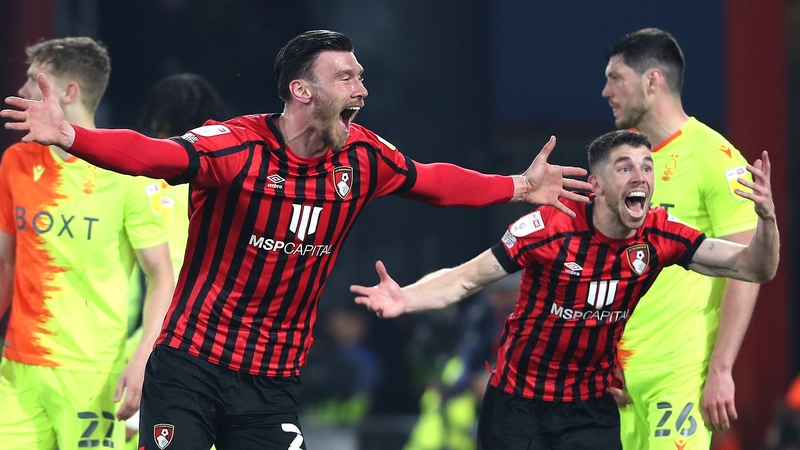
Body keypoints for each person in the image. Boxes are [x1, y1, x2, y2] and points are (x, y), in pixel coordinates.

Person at [1, 30, 593, 450]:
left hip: (272, 380)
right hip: (189, 367)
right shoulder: (236, 146)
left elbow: (432, 180)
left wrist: (518, 186)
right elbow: (154, 156)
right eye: (347, 76)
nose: (362, 87)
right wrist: (71, 135)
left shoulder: (363, 156)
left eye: (361, 74)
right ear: (302, 92)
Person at [350, 129, 779, 450]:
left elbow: (754, 267)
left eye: (647, 166)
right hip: (518, 406)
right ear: (596, 186)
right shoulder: (548, 229)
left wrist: (767, 221)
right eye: (625, 167)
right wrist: (406, 297)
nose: (641, 176)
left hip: (589, 409)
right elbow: (466, 278)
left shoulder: (659, 235)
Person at [0, 37, 175, 450]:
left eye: (33, 80)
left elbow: (161, 276)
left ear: (68, 92)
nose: (23, 90)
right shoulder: (17, 161)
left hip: (91, 375)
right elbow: (5, 265)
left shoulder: (126, 172)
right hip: (17, 371)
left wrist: (143, 359)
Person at [600, 28, 761, 449]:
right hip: (622, 382)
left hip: (680, 374)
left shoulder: (715, 158)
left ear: (653, 81)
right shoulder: (629, 166)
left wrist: (721, 369)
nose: (605, 91)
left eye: (616, 78)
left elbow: (748, 268)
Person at [123, 72, 229, 449]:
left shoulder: (136, 183)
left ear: (158, 122)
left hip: (150, 343)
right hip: (220, 346)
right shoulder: (230, 183)